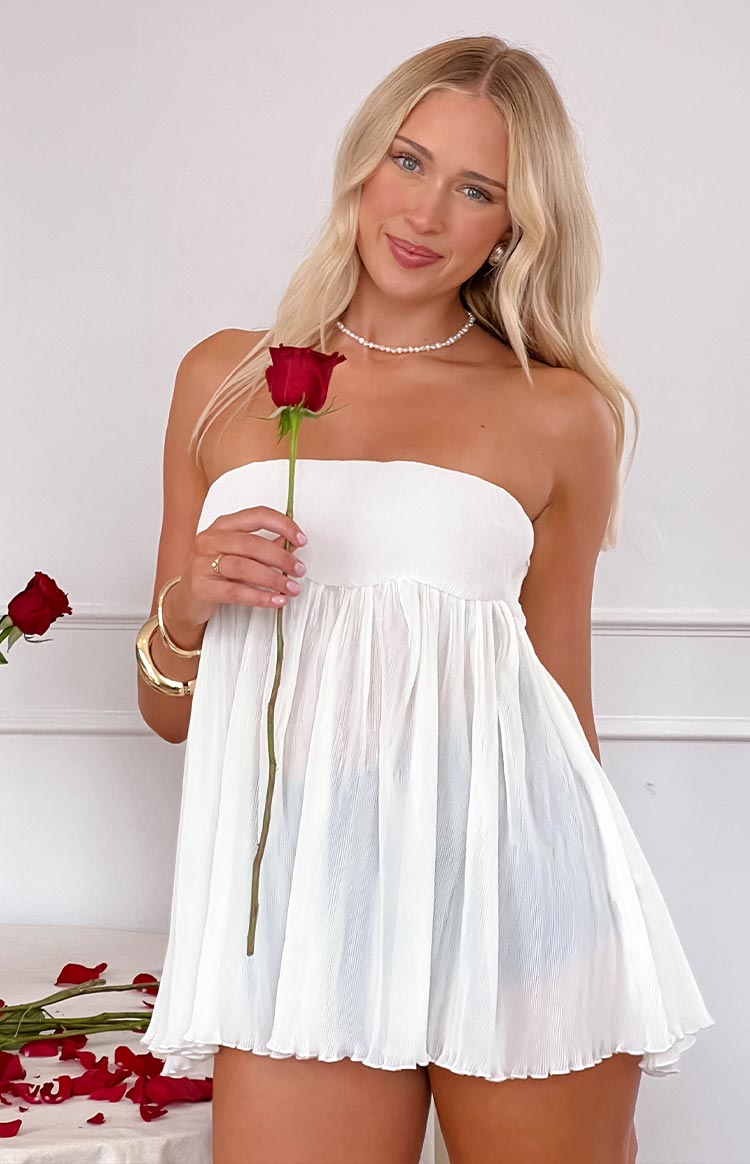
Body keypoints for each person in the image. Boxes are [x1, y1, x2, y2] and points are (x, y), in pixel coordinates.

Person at [135, 34, 714, 1164]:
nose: (426, 212)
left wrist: (599, 926)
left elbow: (561, 705)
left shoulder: (560, 414)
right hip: (309, 919)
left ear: (513, 225)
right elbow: (169, 712)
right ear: (362, 163)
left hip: (519, 903)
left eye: (476, 189)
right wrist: (189, 606)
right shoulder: (225, 381)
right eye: (408, 162)